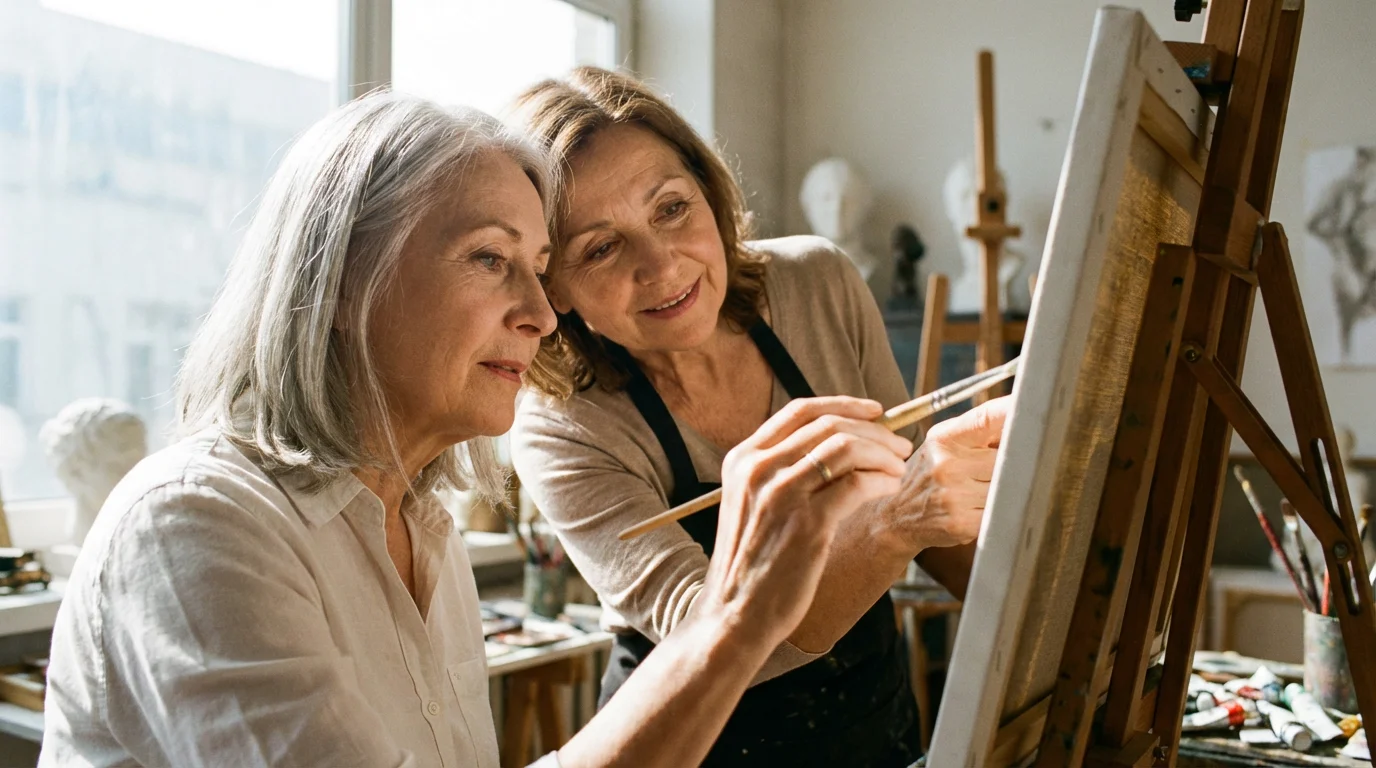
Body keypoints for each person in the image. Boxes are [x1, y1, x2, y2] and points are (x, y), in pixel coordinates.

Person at [39, 92, 916, 768]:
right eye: (491, 260)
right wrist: (737, 614)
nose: (541, 313)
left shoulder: (423, 528)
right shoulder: (194, 525)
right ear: (343, 279)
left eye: (539, 269)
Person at [510, 67, 1008, 766]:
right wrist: (898, 520)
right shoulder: (562, 426)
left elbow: (943, 527)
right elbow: (716, 645)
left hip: (875, 725)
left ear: (710, 195)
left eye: (671, 209)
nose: (661, 265)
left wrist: (1059, 636)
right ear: (551, 283)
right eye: (601, 247)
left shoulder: (819, 284)